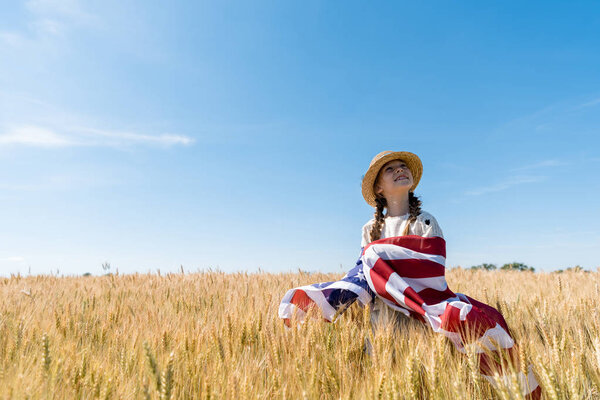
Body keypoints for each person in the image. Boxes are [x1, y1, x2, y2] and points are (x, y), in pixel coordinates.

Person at [360, 151, 443, 330]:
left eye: (403, 166)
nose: (399, 170)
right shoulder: (370, 229)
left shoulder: (425, 222)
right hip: (382, 320)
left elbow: (434, 272)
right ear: (378, 188)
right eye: (390, 169)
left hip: (419, 316)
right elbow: (364, 271)